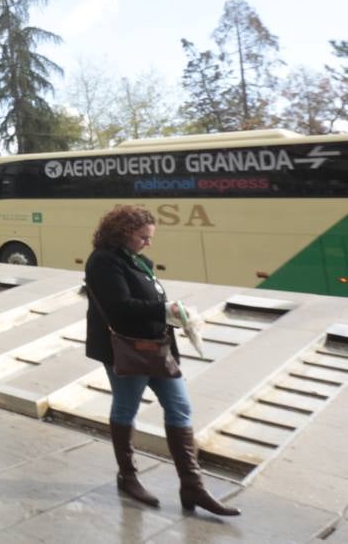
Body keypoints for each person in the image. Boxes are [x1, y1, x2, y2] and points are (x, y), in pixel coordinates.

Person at [85, 205, 241, 517]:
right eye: (143, 237)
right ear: (124, 232)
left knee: (180, 406)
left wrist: (171, 313)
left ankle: (192, 486)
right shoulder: (103, 261)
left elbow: (149, 300)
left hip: (158, 349)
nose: (148, 242)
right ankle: (127, 476)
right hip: (126, 349)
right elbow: (119, 307)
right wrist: (165, 310)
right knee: (126, 408)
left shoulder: (140, 260)